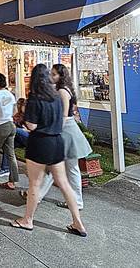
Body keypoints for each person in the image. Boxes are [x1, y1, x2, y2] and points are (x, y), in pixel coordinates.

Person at [11, 64, 86, 237]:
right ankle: (78, 222)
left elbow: (31, 125)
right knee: (65, 184)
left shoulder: (34, 98)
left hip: (40, 143)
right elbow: (62, 120)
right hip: (57, 142)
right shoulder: (57, 97)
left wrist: (24, 121)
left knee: (35, 184)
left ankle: (28, 220)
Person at [28, 64, 92, 211]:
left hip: (66, 131)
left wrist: (53, 131)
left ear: (61, 76)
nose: (51, 76)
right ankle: (36, 196)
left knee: (69, 169)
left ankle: (75, 201)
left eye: (54, 74)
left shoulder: (62, 91)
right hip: (65, 130)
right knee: (56, 169)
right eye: (51, 74)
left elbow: (63, 116)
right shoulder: (63, 90)